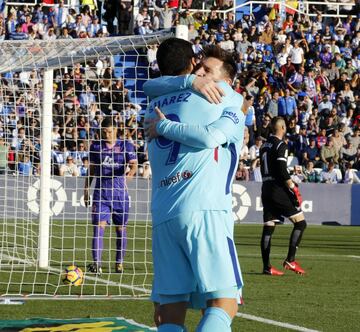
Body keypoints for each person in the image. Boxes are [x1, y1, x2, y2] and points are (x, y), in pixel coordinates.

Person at [143, 39, 245, 332]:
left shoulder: (155, 100)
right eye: (199, 66)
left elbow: (150, 86)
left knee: (168, 312)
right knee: (225, 303)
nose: (202, 72)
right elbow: (214, 135)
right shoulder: (222, 94)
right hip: (204, 210)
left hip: (163, 214)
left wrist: (188, 82)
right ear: (190, 65)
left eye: (207, 70)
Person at [84, 117, 137, 275]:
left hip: (120, 195)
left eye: (110, 131)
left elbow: (134, 165)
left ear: (116, 131)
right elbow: (91, 170)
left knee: (121, 229)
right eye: (104, 131)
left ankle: (119, 262)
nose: (107, 134)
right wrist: (86, 189)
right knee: (99, 228)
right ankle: (97, 263)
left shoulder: (126, 146)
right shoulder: (96, 147)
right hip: (101, 194)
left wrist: (128, 177)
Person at [259, 117, 307, 276]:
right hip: (277, 188)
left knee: (268, 226)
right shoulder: (281, 144)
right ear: (281, 127)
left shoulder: (264, 145)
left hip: (265, 186)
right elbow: (281, 168)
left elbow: (273, 167)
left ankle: (267, 267)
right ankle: (290, 260)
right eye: (285, 126)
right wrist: (292, 186)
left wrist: (289, 173)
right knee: (300, 223)